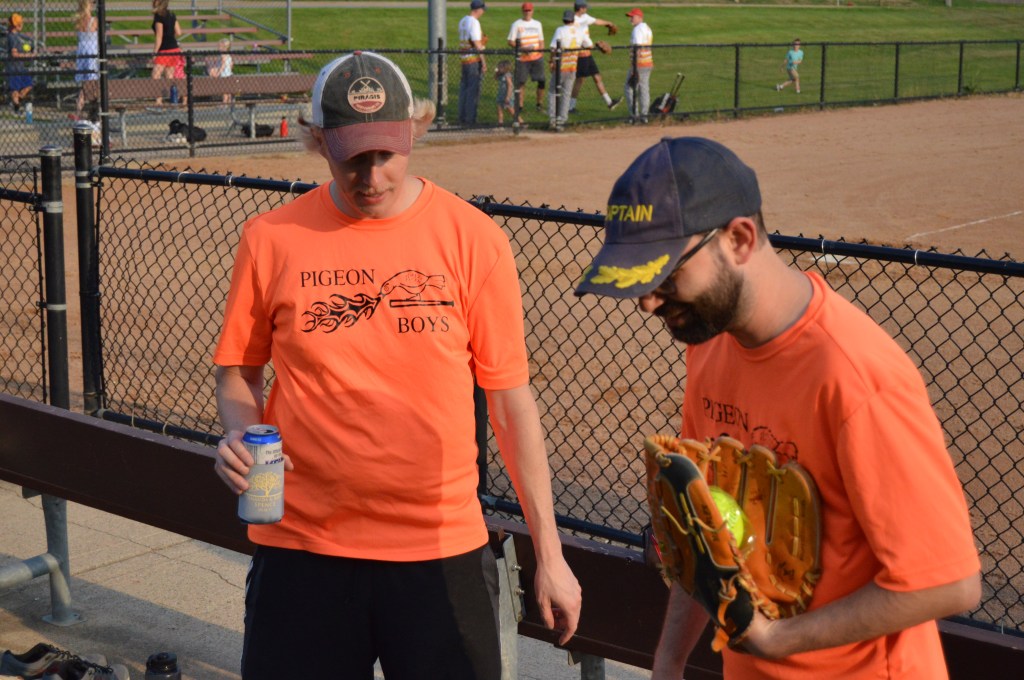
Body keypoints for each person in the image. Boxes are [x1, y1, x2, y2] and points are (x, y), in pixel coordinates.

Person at [212, 50, 582, 679]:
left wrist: (550, 550)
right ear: (316, 140)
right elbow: (239, 373)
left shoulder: (474, 239)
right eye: (351, 156)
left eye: (387, 152)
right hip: (304, 546)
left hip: (439, 549)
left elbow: (510, 403)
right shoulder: (271, 238)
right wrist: (242, 436)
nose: (372, 175)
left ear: (417, 130)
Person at [575, 137, 981, 679]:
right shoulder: (710, 348)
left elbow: (948, 582)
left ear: (739, 239)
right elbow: (702, 525)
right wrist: (669, 660)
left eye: (665, 276)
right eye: (640, 281)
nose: (648, 301)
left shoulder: (855, 377)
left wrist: (776, 641)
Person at [570, 0, 620, 113]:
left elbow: (596, 21)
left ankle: (609, 102)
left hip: (587, 52)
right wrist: (595, 45)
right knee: (580, 80)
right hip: (581, 54)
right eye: (585, 8)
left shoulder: (584, 17)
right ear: (581, 8)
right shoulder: (574, 20)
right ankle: (570, 107)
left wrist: (609, 23)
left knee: (597, 76)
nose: (587, 9)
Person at [547, 9, 587, 132]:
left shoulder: (560, 30)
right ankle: (562, 120)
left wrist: (551, 61)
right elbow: (588, 44)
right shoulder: (580, 31)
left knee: (552, 92)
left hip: (561, 67)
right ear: (573, 20)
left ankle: (553, 119)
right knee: (566, 93)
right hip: (572, 66)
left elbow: (553, 48)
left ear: (564, 19)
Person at [506, 2, 545, 116]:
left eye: (529, 10)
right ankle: (520, 106)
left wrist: (541, 52)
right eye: (525, 10)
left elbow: (541, 40)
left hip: (536, 57)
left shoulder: (538, 24)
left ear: (533, 11)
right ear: (522, 11)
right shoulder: (516, 24)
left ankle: (539, 104)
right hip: (523, 59)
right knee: (521, 82)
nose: (527, 12)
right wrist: (523, 48)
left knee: (541, 81)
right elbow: (510, 41)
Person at [457, 0, 487, 126]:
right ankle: (470, 119)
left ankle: (461, 117)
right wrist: (483, 61)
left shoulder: (463, 20)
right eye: (482, 10)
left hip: (464, 59)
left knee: (464, 90)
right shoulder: (474, 22)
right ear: (478, 9)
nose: (483, 12)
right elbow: (476, 43)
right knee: (472, 92)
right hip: (473, 60)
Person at [151, 0, 185, 106]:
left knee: (156, 75)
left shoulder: (159, 16)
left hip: (164, 50)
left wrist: (155, 53)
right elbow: (179, 32)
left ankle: (158, 101)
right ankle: (173, 99)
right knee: (170, 76)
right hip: (174, 49)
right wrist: (170, 32)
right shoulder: (171, 14)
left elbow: (159, 36)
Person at [622, 8, 652, 124]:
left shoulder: (637, 30)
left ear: (639, 17)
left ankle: (634, 115)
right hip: (648, 62)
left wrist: (634, 68)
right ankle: (644, 116)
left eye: (632, 17)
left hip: (639, 64)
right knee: (644, 89)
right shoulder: (647, 28)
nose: (630, 19)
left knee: (629, 88)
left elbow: (637, 49)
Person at [72, 0, 99, 120]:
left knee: (85, 84)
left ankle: (79, 110)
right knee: (92, 82)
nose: (93, 5)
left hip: (82, 52)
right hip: (91, 52)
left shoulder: (79, 21)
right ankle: (93, 110)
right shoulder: (94, 20)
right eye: (91, 3)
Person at [6, 13, 34, 113]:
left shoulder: (17, 36)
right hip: (14, 67)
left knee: (29, 85)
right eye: (19, 24)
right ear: (16, 25)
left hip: (21, 67)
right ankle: (16, 107)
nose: (21, 25)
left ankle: (17, 102)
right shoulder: (12, 37)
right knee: (15, 89)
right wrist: (27, 56)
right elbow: (14, 54)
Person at [205, 38, 233, 104]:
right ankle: (229, 102)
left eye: (220, 46)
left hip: (224, 75)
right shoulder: (228, 55)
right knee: (228, 90)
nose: (218, 48)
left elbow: (223, 65)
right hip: (229, 74)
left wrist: (218, 73)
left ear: (224, 48)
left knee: (224, 90)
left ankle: (225, 102)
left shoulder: (223, 55)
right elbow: (231, 64)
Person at [494, 59, 514, 125]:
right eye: (498, 67)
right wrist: (497, 72)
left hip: (507, 95)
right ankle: (500, 124)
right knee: (499, 109)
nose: (499, 68)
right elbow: (495, 78)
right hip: (501, 95)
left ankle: (521, 122)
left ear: (505, 68)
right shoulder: (501, 75)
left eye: (500, 67)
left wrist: (508, 97)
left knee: (510, 110)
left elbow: (510, 86)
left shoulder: (507, 75)